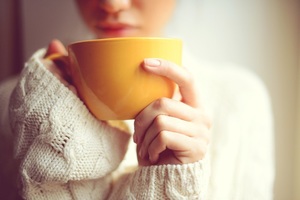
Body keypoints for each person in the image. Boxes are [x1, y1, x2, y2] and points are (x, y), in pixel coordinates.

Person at [0, 0, 275, 199]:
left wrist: (169, 184)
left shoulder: (241, 101)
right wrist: (52, 138)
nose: (112, 4)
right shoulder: (15, 102)